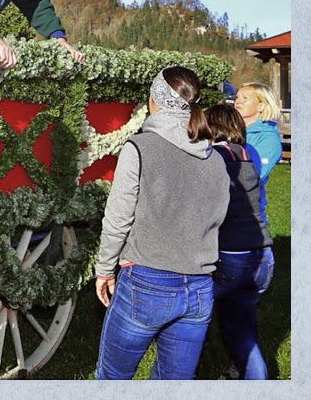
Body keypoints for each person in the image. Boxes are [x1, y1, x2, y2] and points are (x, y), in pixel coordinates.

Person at [93, 67, 230, 380]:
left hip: (146, 282)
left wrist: (104, 270)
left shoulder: (139, 147)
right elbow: (219, 218)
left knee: (113, 378)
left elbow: (118, 218)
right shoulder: (217, 159)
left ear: (153, 100)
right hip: (199, 288)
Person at [205, 104, 273, 380]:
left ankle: (181, 373)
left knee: (188, 321)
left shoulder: (213, 157)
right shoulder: (251, 153)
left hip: (231, 255)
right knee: (242, 326)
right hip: (263, 255)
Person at [234, 82, 283, 223]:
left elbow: (255, 175)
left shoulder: (268, 138)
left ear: (261, 106)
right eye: (237, 97)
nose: (238, 102)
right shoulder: (230, 130)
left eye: (245, 98)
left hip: (248, 211)